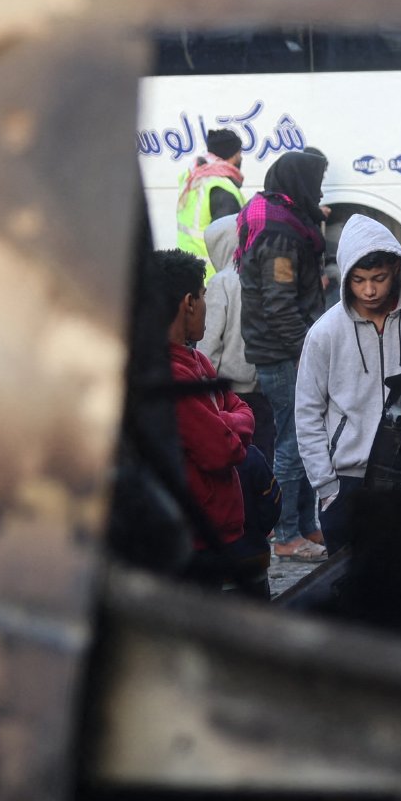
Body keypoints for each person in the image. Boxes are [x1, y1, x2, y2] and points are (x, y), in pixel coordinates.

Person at [296, 214, 401, 554]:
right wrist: (326, 487)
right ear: (346, 277)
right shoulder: (324, 333)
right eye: (359, 280)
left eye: (378, 278)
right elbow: (307, 413)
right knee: (355, 583)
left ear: (395, 270)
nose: (369, 290)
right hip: (350, 484)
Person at [149, 249, 271, 597]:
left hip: (218, 530)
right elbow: (221, 450)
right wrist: (228, 423)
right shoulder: (170, 374)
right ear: (189, 303)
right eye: (203, 297)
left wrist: (223, 420)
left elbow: (241, 409)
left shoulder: (197, 361)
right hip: (195, 537)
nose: (206, 305)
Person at [238, 149, 330, 561]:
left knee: (308, 437)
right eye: (316, 183)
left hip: (286, 350)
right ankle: (287, 534)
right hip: (283, 355)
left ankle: (306, 525)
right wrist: (307, 351)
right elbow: (279, 305)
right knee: (293, 442)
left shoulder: (281, 219)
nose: (320, 192)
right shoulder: (280, 234)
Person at [197, 215, 266, 456]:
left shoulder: (221, 282)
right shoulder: (261, 275)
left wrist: (206, 390)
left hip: (230, 392)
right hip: (263, 385)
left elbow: (209, 343)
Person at [175, 129, 246, 278]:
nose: (241, 158)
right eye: (240, 153)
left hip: (187, 271)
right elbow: (227, 242)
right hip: (211, 277)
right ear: (233, 155)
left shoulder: (193, 178)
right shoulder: (221, 188)